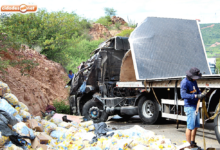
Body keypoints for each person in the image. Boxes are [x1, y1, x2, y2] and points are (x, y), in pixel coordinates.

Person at [180, 67, 207, 148]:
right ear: (191, 76)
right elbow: (183, 95)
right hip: (189, 107)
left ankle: (192, 142)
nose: (196, 79)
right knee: (190, 127)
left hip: (195, 106)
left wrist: (202, 94)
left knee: (195, 126)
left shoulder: (194, 81)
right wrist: (196, 95)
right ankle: (188, 145)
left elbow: (197, 91)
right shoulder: (184, 82)